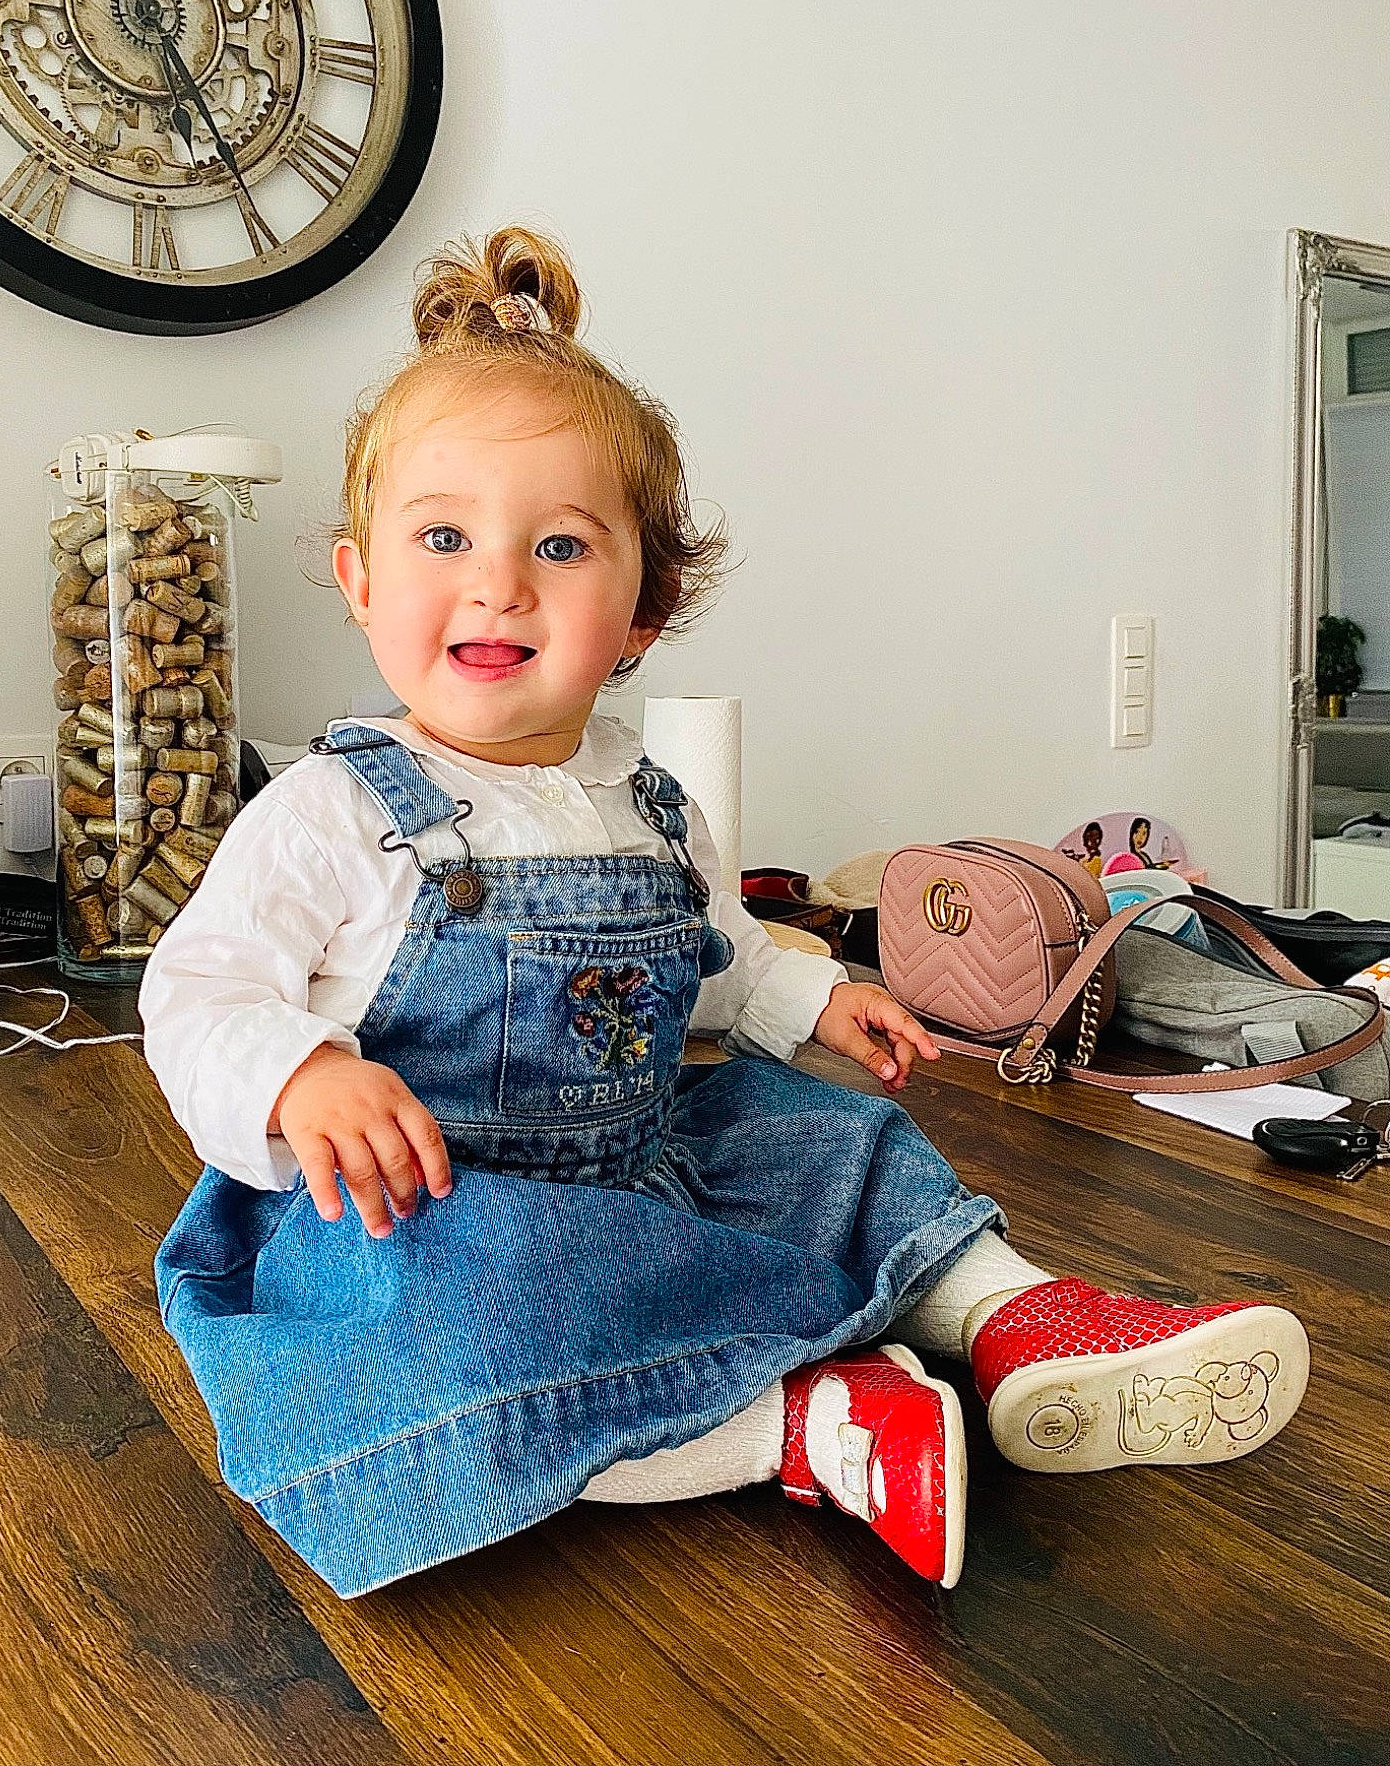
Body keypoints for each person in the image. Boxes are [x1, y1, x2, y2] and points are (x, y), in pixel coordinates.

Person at [141, 227, 1310, 1599]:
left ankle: (1017, 1318)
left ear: (645, 607)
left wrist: (812, 998)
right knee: (494, 1317)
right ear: (360, 580)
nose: (498, 580)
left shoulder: (650, 799)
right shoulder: (331, 813)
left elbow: (714, 956)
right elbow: (198, 992)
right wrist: (298, 1076)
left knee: (840, 1143)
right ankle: (806, 1428)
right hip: (438, 1216)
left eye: (562, 545)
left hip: (646, 1161)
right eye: (444, 536)